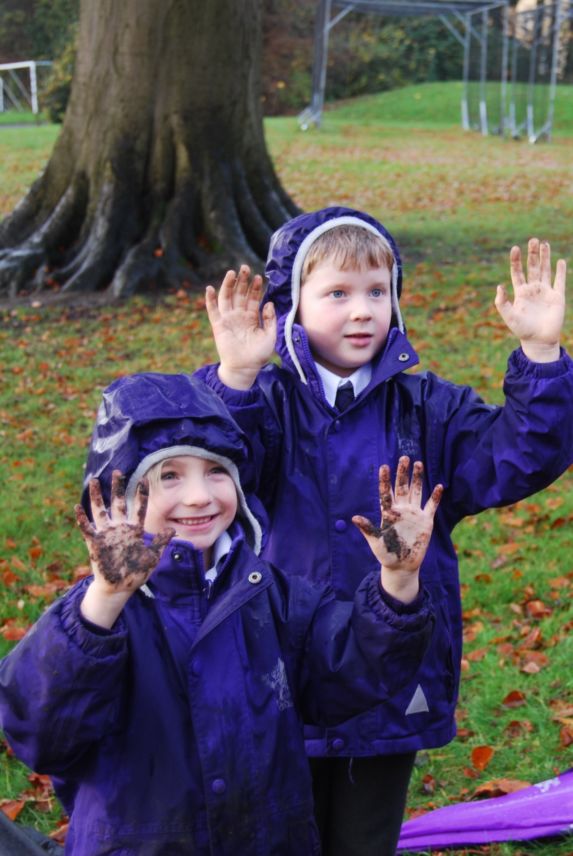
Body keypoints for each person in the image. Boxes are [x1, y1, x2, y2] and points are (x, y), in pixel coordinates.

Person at [196, 206, 573, 856]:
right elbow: (213, 468)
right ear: (291, 305)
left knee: (364, 840)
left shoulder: (429, 407)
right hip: (282, 668)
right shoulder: (267, 403)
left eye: (377, 290)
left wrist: (540, 355)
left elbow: (514, 458)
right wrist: (235, 378)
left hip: (395, 670)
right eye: (337, 294)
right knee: (281, 834)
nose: (362, 310)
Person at [0, 372, 441, 856]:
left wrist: (398, 581)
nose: (199, 496)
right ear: (119, 497)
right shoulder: (100, 616)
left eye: (216, 471)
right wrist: (104, 600)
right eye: (169, 475)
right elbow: (43, 735)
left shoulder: (270, 595)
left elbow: (354, 672)